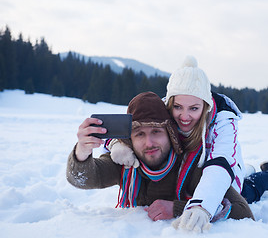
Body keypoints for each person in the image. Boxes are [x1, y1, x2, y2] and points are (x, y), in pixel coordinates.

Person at [107, 56, 268, 228]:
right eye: (178, 107)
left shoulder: (223, 122)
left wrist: (201, 206)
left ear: (205, 106)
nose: (185, 116)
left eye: (194, 108)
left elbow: (219, 165)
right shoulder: (164, 111)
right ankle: (249, 169)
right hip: (190, 177)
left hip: (222, 171)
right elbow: (134, 127)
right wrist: (117, 143)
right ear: (170, 103)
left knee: (245, 192)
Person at [67, 91, 254, 233]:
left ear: (171, 135)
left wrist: (178, 208)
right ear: (130, 139)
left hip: (227, 175)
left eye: (156, 132)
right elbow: (83, 178)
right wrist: (82, 150)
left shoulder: (194, 166)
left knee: (249, 191)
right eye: (140, 134)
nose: (149, 143)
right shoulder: (126, 160)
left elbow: (242, 210)